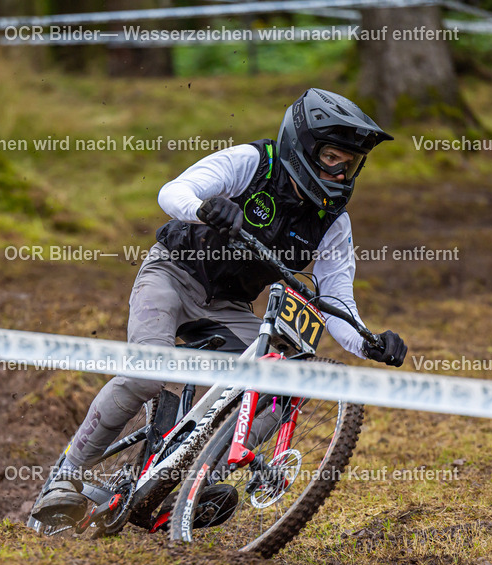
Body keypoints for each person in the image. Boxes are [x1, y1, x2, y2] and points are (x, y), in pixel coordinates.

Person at [31, 88, 409, 524]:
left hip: (228, 307)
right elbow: (174, 191)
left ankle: (195, 483)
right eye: (332, 159)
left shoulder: (333, 224)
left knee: (281, 388)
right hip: (172, 274)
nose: (342, 174)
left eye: (352, 164)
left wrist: (369, 343)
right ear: (303, 147)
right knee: (147, 373)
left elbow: (336, 297)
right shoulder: (252, 162)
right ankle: (66, 475)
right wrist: (203, 209)